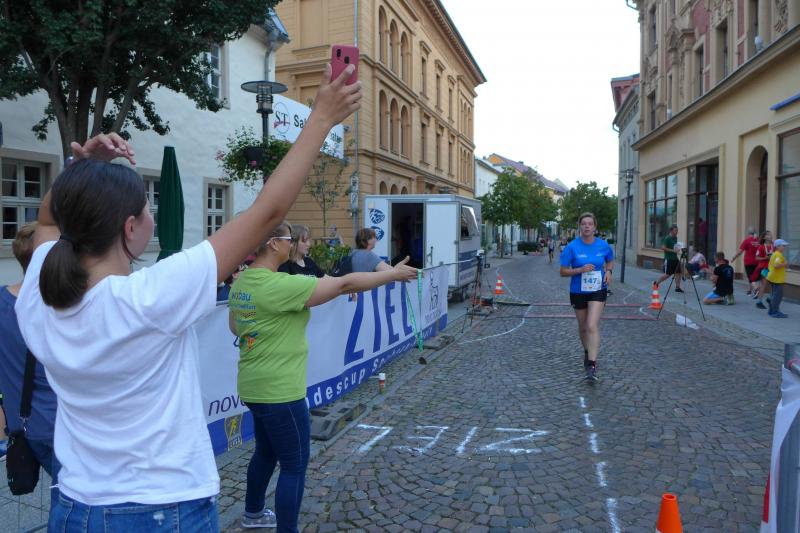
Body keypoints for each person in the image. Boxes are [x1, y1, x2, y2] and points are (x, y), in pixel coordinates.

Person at [15, 63, 361, 531]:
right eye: (148, 207)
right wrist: (320, 118)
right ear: (130, 228)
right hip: (160, 509)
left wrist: (82, 168)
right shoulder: (148, 298)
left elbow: (46, 220)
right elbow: (268, 213)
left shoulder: (39, 292)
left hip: (75, 505)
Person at [228, 222, 417, 531]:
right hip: (280, 390)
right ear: (273, 244)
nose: (292, 244)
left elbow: (235, 326)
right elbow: (345, 284)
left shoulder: (243, 282)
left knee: (265, 452)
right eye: (289, 239)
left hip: (253, 385)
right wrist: (393, 274)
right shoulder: (278, 285)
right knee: (294, 464)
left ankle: (253, 514)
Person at [0, 223, 59, 503]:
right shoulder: (59, 308)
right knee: (74, 499)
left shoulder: (2, 301)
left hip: (22, 425)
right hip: (60, 426)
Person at [559, 213, 614, 382]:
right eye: (584, 224)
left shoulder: (603, 245)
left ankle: (592, 364)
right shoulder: (572, 247)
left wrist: (609, 271)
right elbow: (562, 271)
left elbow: (610, 261)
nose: (587, 226)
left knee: (591, 325)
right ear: (580, 227)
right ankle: (587, 351)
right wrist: (579, 270)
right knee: (583, 327)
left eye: (590, 224)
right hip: (578, 291)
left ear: (595, 227)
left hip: (598, 289)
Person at [731, 227, 760, 295]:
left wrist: (734, 258)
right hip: (757, 261)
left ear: (748, 233)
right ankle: (750, 290)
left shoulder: (747, 241)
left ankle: (756, 288)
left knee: (750, 276)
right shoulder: (758, 241)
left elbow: (740, 252)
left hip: (748, 262)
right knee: (753, 275)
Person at [655, 224, 683, 293]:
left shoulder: (675, 238)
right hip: (669, 258)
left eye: (677, 230)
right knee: (668, 274)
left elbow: (674, 247)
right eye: (675, 230)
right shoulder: (667, 238)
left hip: (675, 258)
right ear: (671, 231)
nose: (677, 232)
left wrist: (678, 249)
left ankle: (677, 287)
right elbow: (663, 247)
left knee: (678, 272)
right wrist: (673, 250)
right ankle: (656, 283)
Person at [766, 239, 789, 318]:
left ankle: (771, 311)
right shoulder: (778, 255)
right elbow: (776, 265)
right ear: (778, 246)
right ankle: (775, 312)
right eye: (783, 246)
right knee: (777, 296)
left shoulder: (775, 254)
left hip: (773, 278)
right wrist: (785, 264)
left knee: (774, 295)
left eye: (784, 246)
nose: (784, 247)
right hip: (777, 279)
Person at [754, 231, 773, 309]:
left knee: (773, 284)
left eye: (771, 234)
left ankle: (770, 298)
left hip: (772, 268)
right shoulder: (761, 247)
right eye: (768, 235)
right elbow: (757, 258)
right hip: (764, 268)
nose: (771, 236)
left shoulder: (773, 246)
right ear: (765, 237)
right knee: (764, 285)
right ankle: (759, 302)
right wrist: (765, 258)